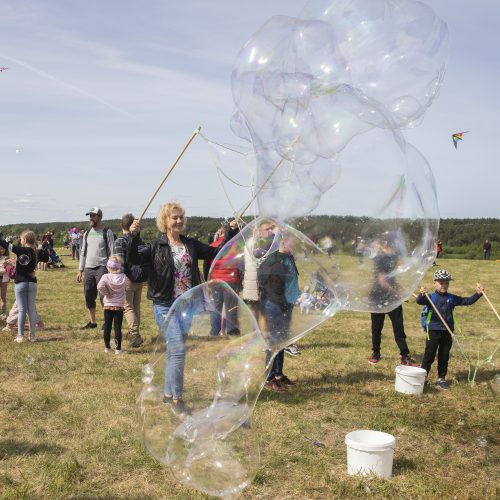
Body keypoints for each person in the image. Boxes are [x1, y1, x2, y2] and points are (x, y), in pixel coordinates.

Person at [128, 202, 228, 412]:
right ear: (164, 221)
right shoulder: (156, 246)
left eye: (181, 217)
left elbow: (215, 252)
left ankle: (167, 394)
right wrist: (133, 236)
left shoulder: (190, 245)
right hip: (164, 305)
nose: (179, 221)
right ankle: (177, 400)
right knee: (179, 349)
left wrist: (231, 231)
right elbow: (134, 258)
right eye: (174, 217)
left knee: (175, 351)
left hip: (186, 305)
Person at [416, 269, 484, 390]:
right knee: (429, 355)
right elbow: (419, 301)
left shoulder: (451, 298)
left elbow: (466, 301)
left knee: (444, 355)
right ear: (434, 283)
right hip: (433, 331)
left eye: (446, 283)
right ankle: (423, 377)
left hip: (447, 332)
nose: (444, 285)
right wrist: (422, 293)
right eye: (441, 282)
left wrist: (478, 294)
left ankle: (441, 378)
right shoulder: (430, 297)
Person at [258, 232, 301, 392]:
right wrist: (283, 304)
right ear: (283, 242)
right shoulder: (273, 261)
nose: (294, 246)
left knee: (282, 340)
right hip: (276, 305)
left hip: (286, 304)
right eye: (292, 243)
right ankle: (268, 378)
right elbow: (270, 288)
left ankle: (278, 374)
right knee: (274, 342)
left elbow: (291, 280)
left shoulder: (288, 258)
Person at [368, 236, 417, 366]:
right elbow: (382, 281)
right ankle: (376, 353)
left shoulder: (393, 258)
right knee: (377, 328)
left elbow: (392, 280)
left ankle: (405, 355)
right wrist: (399, 294)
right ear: (391, 245)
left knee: (398, 327)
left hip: (392, 297)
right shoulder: (380, 258)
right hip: (377, 297)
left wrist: (401, 290)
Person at [76, 208, 115, 329]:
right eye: (90, 216)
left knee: (104, 296)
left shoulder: (107, 232)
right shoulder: (87, 233)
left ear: (99, 217)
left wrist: (113, 270)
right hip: (88, 268)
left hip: (102, 268)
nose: (91, 218)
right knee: (88, 295)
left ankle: (107, 322)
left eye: (93, 216)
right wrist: (80, 270)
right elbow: (83, 252)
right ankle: (92, 322)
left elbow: (113, 251)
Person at [114, 213, 148, 347]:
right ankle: (134, 332)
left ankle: (134, 334)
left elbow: (119, 262)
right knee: (136, 306)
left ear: (121, 225)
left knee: (128, 307)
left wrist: (118, 280)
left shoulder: (120, 241)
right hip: (139, 277)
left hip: (127, 277)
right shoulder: (139, 240)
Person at [0, 230, 39, 342]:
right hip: (32, 283)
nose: (20, 240)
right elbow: (47, 257)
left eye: (21, 238)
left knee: (22, 309)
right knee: (31, 309)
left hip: (21, 282)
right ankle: (32, 337)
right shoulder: (35, 252)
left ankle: (20, 336)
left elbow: (5, 244)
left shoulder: (20, 250)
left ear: (25, 240)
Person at [206, 219, 241, 336]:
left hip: (215, 280)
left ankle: (214, 332)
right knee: (231, 308)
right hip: (231, 281)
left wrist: (208, 280)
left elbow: (208, 265)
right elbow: (240, 263)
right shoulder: (235, 246)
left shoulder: (212, 245)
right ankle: (232, 331)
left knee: (216, 308)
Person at [97, 256, 126, 354]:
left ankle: (107, 347)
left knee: (107, 326)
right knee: (118, 328)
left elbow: (99, 286)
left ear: (108, 267)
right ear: (119, 267)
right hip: (119, 306)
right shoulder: (124, 277)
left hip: (108, 305)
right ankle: (118, 349)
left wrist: (107, 293)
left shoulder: (105, 277)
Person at [0, 244, 14, 320]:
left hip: (4, 280)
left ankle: (3, 313)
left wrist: (8, 264)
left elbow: (11, 268)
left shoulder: (7, 258)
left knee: (3, 297)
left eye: (3, 249)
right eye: (0, 249)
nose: (2, 250)